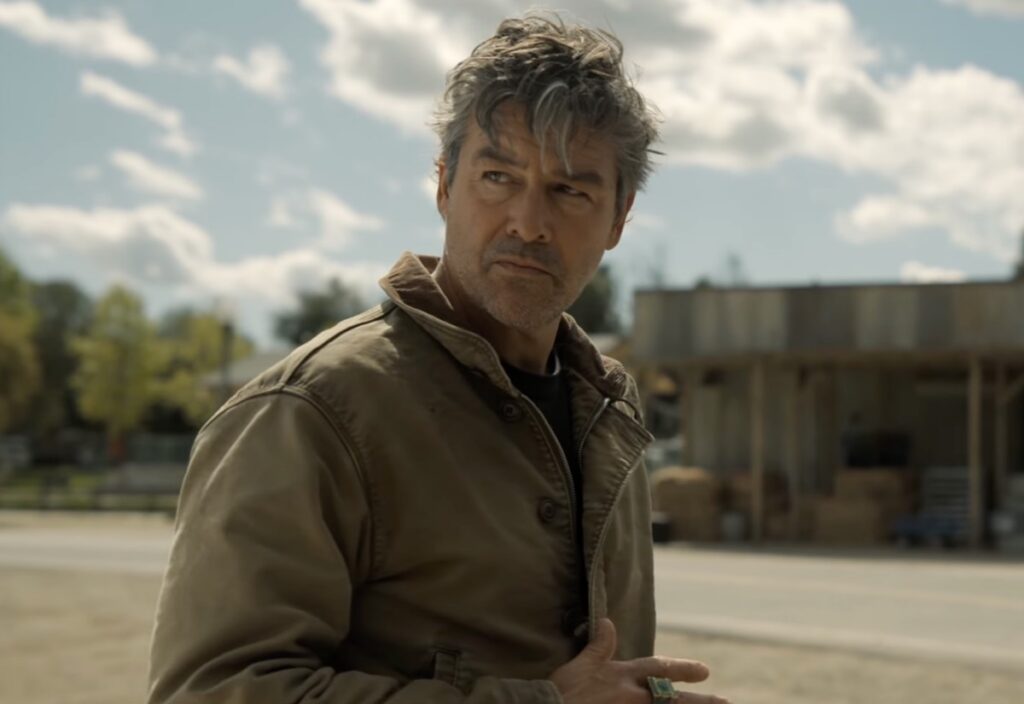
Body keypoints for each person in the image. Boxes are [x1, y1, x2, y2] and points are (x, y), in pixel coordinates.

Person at [148, 12, 728, 704]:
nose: (529, 222)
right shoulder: (314, 411)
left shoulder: (607, 407)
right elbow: (212, 691)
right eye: (497, 176)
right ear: (444, 184)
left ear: (619, 217)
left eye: (570, 191)